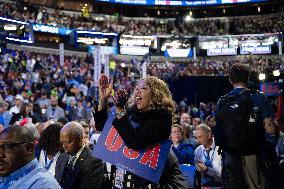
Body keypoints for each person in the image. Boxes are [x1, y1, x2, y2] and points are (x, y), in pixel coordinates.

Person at [94, 73, 187, 188]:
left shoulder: (162, 116)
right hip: (123, 177)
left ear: (155, 94)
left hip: (150, 182)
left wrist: (120, 110)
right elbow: (104, 128)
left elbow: (136, 142)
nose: (137, 91)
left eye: (143, 88)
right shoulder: (131, 113)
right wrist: (103, 100)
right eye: (137, 88)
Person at [215, 63, 274, 189]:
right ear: (248, 78)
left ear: (230, 80)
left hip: (230, 156)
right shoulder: (259, 97)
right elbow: (270, 129)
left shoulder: (223, 100)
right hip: (253, 153)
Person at [55, 121, 104, 189]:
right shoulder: (61, 158)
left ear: (80, 139)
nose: (64, 146)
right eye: (62, 142)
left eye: (68, 142)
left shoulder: (94, 161)